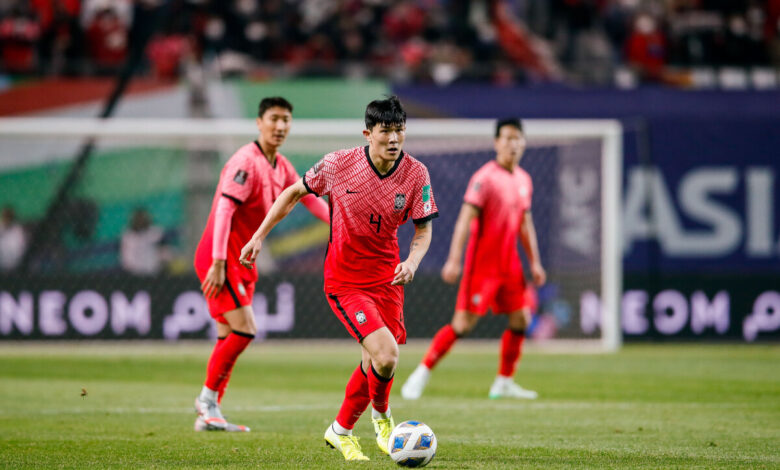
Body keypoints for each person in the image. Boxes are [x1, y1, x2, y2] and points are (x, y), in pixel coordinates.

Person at [239, 96, 438, 461]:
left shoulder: (416, 173)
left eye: (400, 130)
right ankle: (383, 421)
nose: (394, 139)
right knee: (386, 356)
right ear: (368, 133)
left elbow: (423, 230)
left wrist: (412, 261)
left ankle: (341, 431)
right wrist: (259, 236)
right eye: (386, 131)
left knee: (373, 362)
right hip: (346, 281)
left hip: (388, 279)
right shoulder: (338, 164)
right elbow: (293, 193)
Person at [193, 96, 329, 432]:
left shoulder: (281, 166)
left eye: (286, 119)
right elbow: (224, 209)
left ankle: (210, 413)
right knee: (246, 329)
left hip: (242, 257)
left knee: (228, 336)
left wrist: (341, 225)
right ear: (259, 122)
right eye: (274, 119)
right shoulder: (245, 162)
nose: (280, 126)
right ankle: (206, 400)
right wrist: (218, 261)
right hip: (222, 255)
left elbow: (309, 200)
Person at [401, 118, 546, 401]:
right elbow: (465, 219)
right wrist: (454, 259)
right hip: (483, 265)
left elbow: (525, 224)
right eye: (507, 138)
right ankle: (421, 372)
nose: (512, 144)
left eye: (517, 138)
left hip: (510, 263)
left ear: (524, 143)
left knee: (521, 318)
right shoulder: (485, 178)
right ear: (496, 143)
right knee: (462, 325)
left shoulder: (523, 180)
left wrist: (535, 262)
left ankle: (504, 382)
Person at [120, 208, 168, 276]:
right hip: (134, 273)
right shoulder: (128, 236)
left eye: (143, 219)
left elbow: (165, 250)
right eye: (138, 219)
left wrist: (163, 262)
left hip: (155, 271)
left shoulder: (156, 232)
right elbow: (126, 258)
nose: (141, 221)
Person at [0, 206, 26, 272]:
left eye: (8, 217)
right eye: (5, 217)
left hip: (14, 263)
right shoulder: (1, 226)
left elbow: (21, 247)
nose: (7, 219)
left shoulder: (18, 230)